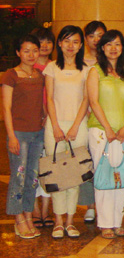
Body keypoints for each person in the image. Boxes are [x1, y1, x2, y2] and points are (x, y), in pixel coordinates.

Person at [43, 26, 90, 239]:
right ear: (60, 43)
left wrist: (75, 126)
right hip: (55, 125)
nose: (71, 46)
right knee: (56, 173)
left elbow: (87, 99)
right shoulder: (52, 67)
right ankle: (58, 221)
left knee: (74, 174)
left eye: (75, 41)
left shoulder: (86, 69)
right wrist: (55, 125)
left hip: (78, 125)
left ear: (80, 45)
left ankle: (70, 221)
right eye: (66, 41)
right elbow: (49, 98)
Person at [86, 30, 124, 239]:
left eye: (118, 44)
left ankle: (117, 221)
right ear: (102, 48)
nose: (114, 48)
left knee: (121, 176)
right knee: (104, 176)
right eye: (109, 44)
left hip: (122, 133)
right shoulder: (95, 71)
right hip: (101, 131)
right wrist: (108, 129)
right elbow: (93, 102)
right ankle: (105, 223)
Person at [1, 35, 45, 239]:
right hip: (19, 132)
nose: (31, 55)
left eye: (34, 50)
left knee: (32, 178)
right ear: (18, 53)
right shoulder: (11, 75)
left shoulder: (39, 75)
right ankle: (18, 219)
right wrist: (11, 136)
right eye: (26, 51)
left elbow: (42, 102)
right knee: (18, 177)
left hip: (38, 132)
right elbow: (6, 108)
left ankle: (28, 216)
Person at [79, 22, 105, 224]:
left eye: (100, 35)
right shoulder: (78, 61)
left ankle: (104, 204)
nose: (96, 40)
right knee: (87, 163)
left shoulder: (109, 60)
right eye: (91, 36)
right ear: (85, 39)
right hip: (82, 118)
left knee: (103, 163)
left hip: (103, 119)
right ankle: (90, 205)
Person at [30, 27, 55, 229]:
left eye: (48, 41)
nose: (45, 45)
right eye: (41, 41)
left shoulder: (55, 67)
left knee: (48, 168)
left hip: (51, 123)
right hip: (31, 124)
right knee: (32, 167)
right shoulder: (29, 68)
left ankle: (46, 210)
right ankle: (34, 210)